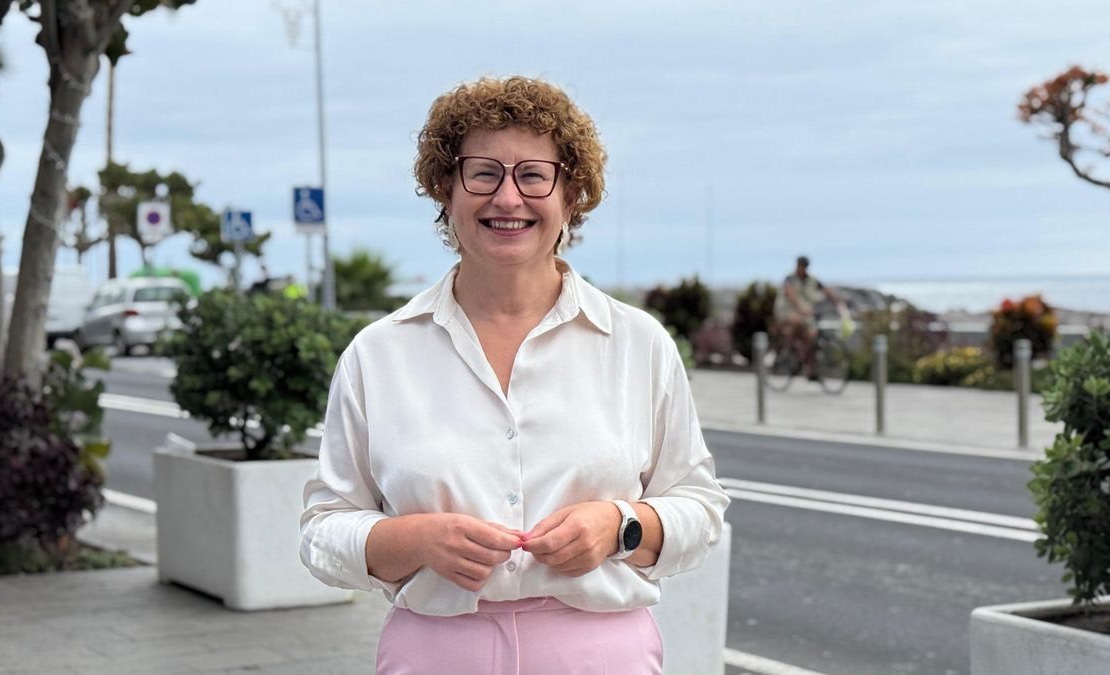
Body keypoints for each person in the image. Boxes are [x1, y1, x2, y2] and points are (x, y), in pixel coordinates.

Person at [300, 76, 730, 674]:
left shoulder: (638, 344)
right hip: (433, 653)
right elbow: (322, 532)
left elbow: (700, 510)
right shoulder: (379, 354)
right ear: (444, 189)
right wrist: (418, 540)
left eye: (533, 175)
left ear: (571, 194)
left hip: (602, 655)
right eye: (483, 173)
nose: (507, 198)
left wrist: (619, 525)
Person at [772, 255, 848, 372]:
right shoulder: (789, 279)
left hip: (805, 314)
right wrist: (801, 308)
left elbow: (827, 291)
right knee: (796, 323)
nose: (802, 268)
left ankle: (809, 366)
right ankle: (787, 350)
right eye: (800, 266)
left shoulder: (812, 280)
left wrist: (839, 304)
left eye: (804, 266)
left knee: (812, 336)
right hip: (787, 312)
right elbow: (790, 295)